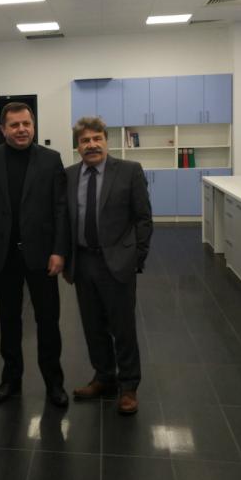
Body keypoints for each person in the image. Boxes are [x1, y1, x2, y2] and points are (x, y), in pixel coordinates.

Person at [0, 102, 70, 408]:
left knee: (48, 321)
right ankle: (11, 380)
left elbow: (61, 209)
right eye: (14, 125)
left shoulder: (51, 159)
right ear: (3, 129)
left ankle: (54, 383)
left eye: (26, 124)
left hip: (42, 254)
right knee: (8, 320)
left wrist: (59, 250)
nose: (22, 129)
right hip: (3, 255)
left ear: (33, 126)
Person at [64, 116, 153, 415]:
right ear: (77, 146)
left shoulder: (129, 171)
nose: (91, 145)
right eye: (85, 141)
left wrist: (136, 257)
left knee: (122, 327)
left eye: (96, 139)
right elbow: (65, 219)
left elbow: (143, 218)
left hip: (117, 262)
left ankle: (128, 386)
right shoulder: (69, 175)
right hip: (83, 261)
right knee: (92, 325)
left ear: (106, 141)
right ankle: (104, 377)